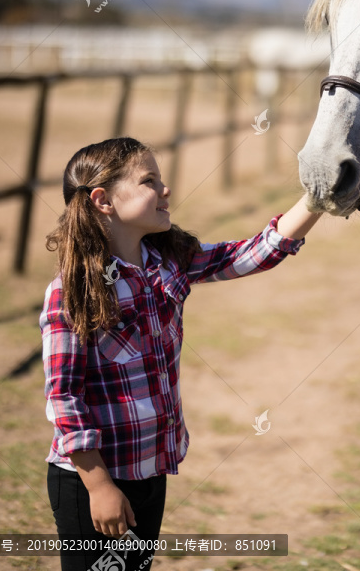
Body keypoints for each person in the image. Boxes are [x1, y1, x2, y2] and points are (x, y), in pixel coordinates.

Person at [41, 137, 321, 571]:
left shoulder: (169, 262)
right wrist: (99, 487)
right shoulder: (71, 290)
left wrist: (319, 197)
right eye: (149, 180)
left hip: (151, 470)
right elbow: (64, 399)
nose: (166, 189)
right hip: (93, 479)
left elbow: (251, 254)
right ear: (103, 200)